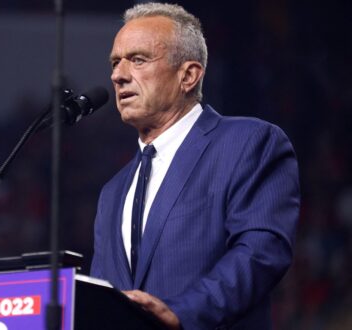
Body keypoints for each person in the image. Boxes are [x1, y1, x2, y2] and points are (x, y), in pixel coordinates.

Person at [90, 3, 300, 329]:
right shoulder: (112, 192)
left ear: (188, 75)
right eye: (115, 62)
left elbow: (261, 253)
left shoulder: (249, 143)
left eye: (138, 59)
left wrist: (181, 313)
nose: (118, 75)